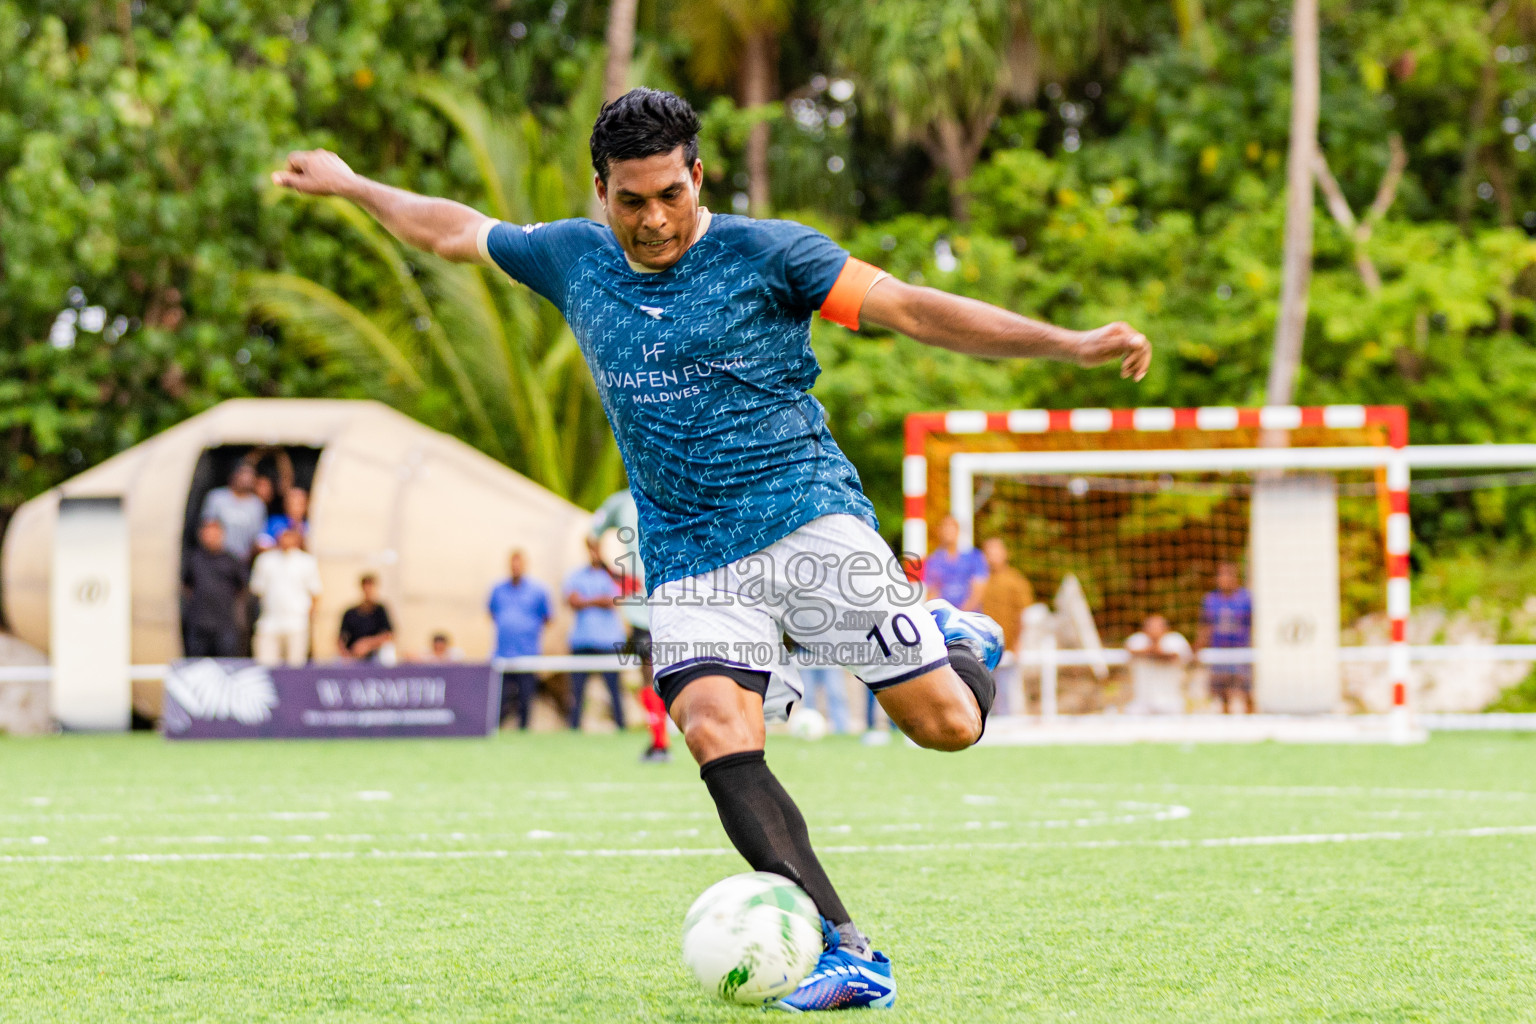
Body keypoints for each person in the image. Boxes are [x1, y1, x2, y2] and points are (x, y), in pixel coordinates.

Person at [272, 87, 1149, 1011]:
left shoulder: (771, 253)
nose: (654, 221)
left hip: (803, 514)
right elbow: (454, 229)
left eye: (670, 195)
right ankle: (849, 949)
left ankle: (957, 642)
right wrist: (353, 184)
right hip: (687, 553)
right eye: (631, 201)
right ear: (600, 190)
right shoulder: (571, 257)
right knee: (713, 729)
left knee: (947, 726)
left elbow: (913, 309)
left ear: (699, 175)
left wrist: (1069, 346)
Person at [590, 489, 671, 761]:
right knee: (650, 673)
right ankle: (660, 741)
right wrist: (613, 574)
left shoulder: (668, 488)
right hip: (641, 607)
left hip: (674, 598)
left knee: (663, 673)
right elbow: (591, 537)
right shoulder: (620, 502)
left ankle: (661, 741)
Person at [565, 537, 629, 732]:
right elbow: (573, 601)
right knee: (577, 692)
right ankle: (574, 730)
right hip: (582, 641)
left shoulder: (613, 575)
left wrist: (586, 601)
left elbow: (612, 601)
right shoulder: (576, 575)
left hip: (608, 642)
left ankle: (621, 728)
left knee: (615, 691)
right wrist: (598, 600)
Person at [488, 550, 551, 730]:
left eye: (519, 563)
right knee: (501, 698)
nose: (516, 567)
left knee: (525, 698)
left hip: (528, 653)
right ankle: (496, 730)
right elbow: (492, 613)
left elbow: (547, 617)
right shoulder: (498, 589)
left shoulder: (538, 591)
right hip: (503, 654)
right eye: (513, 563)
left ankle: (524, 730)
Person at [248, 527, 321, 667]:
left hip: (296, 622)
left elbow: (315, 593)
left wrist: (309, 617)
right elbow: (257, 590)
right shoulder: (265, 560)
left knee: (295, 667)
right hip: (269, 621)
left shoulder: (307, 561)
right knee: (265, 665)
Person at [978, 537, 1032, 715]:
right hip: (982, 649)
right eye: (989, 552)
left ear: (1005, 553)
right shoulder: (979, 580)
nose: (992, 556)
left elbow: (1023, 614)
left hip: (1007, 647)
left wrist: (1018, 641)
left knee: (1007, 693)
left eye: (996, 551)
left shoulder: (1015, 580)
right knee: (984, 695)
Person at [181, 519, 246, 658]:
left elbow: (242, 588)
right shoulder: (194, 559)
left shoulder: (231, 560)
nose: (210, 536)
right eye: (207, 533)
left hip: (225, 625)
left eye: (214, 533)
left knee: (227, 666)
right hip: (199, 624)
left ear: (222, 535)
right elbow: (186, 586)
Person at [1199, 561, 1254, 714]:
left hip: (1241, 653)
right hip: (1219, 653)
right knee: (1222, 695)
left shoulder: (1246, 598)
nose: (1225, 579)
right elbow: (1205, 626)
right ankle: (1226, 727)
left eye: (1228, 575)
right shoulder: (1211, 600)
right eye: (1221, 575)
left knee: (1246, 693)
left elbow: (1254, 625)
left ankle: (1253, 727)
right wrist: (1199, 647)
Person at [1124, 613, 1192, 714]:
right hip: (1142, 703)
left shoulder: (1175, 640)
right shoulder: (1137, 640)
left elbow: (1173, 656)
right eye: (1151, 626)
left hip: (1171, 703)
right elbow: (1131, 651)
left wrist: (1154, 647)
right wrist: (1153, 648)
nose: (1154, 630)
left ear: (1166, 628)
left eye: (1158, 627)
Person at [199, 464, 269, 562]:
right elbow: (207, 526)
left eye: (250, 476)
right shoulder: (217, 497)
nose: (246, 479)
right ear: (234, 476)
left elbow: (258, 536)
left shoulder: (257, 505)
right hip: (214, 557)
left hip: (241, 559)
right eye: (243, 474)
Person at [924, 515, 989, 611]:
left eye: (951, 527)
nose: (948, 531)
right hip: (945, 617)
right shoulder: (933, 561)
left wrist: (961, 614)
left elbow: (978, 592)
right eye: (945, 527)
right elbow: (933, 593)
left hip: (970, 616)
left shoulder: (974, 557)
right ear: (939, 531)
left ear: (958, 531)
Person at [339, 574, 395, 662]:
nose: (368, 590)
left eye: (371, 586)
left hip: (375, 653)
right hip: (353, 654)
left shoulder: (380, 610)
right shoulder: (350, 613)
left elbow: (388, 635)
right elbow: (341, 638)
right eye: (366, 586)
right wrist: (346, 654)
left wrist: (367, 644)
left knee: (388, 651)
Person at [259, 486, 309, 551]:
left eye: (299, 504)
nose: (296, 507)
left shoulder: (310, 526)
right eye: (292, 503)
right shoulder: (275, 522)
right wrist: (282, 544)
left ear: (306, 506)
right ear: (285, 504)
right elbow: (261, 544)